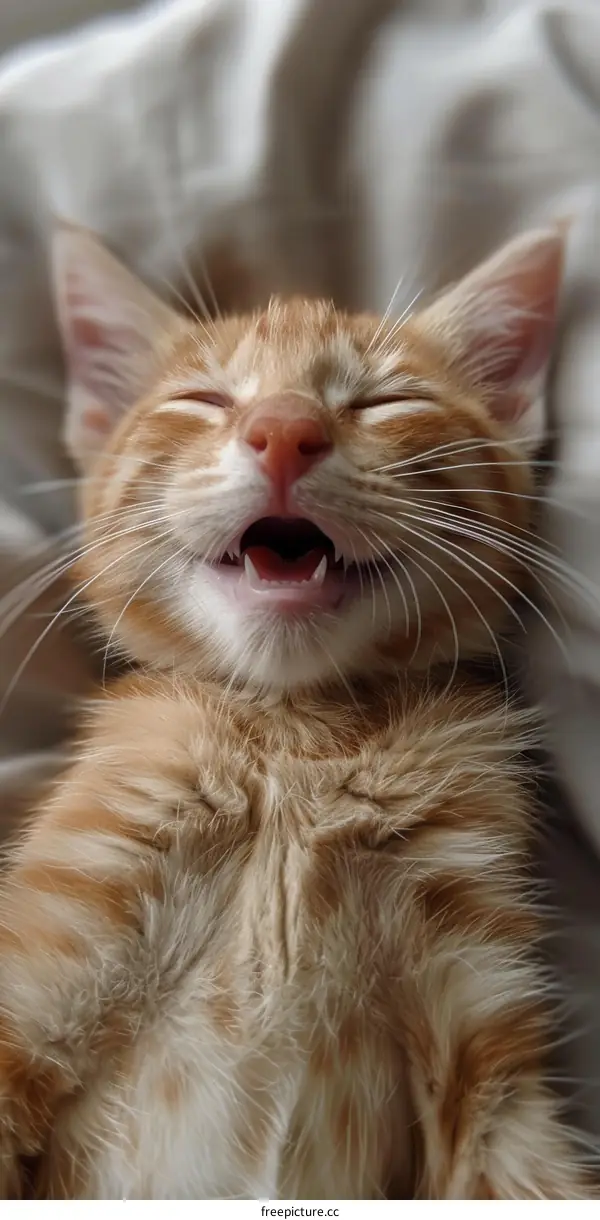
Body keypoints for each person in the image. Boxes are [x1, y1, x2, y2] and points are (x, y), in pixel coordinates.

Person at [1, 0, 600, 1145]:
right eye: (198, 403)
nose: (281, 433)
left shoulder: (460, 770)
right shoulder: (140, 746)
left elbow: (493, 1132)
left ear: (507, 417)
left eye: (386, 402)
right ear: (96, 419)